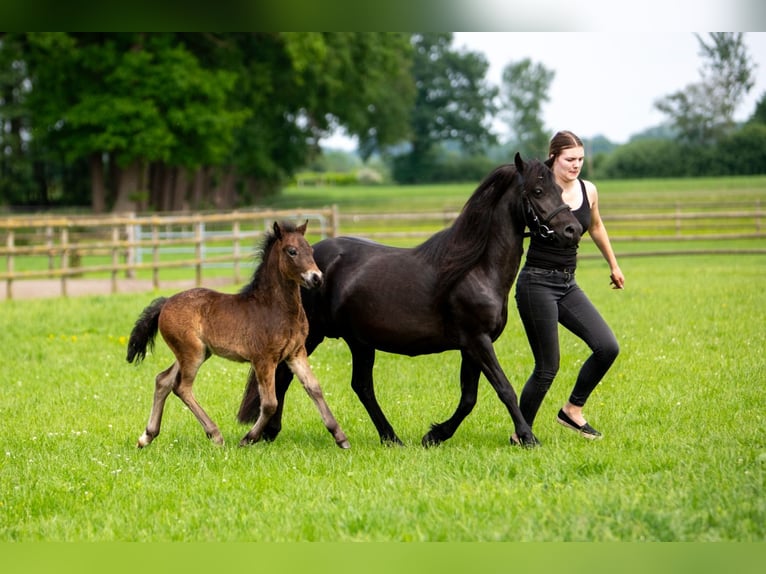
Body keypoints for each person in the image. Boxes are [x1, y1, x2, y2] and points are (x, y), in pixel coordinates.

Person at [513, 130, 624, 443]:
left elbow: (597, 226)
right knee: (547, 367)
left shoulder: (588, 189)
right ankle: (521, 433)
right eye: (570, 159)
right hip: (536, 283)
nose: (576, 165)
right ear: (554, 158)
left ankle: (572, 410)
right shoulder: (539, 190)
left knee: (607, 347)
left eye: (581, 159)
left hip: (567, 283)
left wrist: (614, 265)